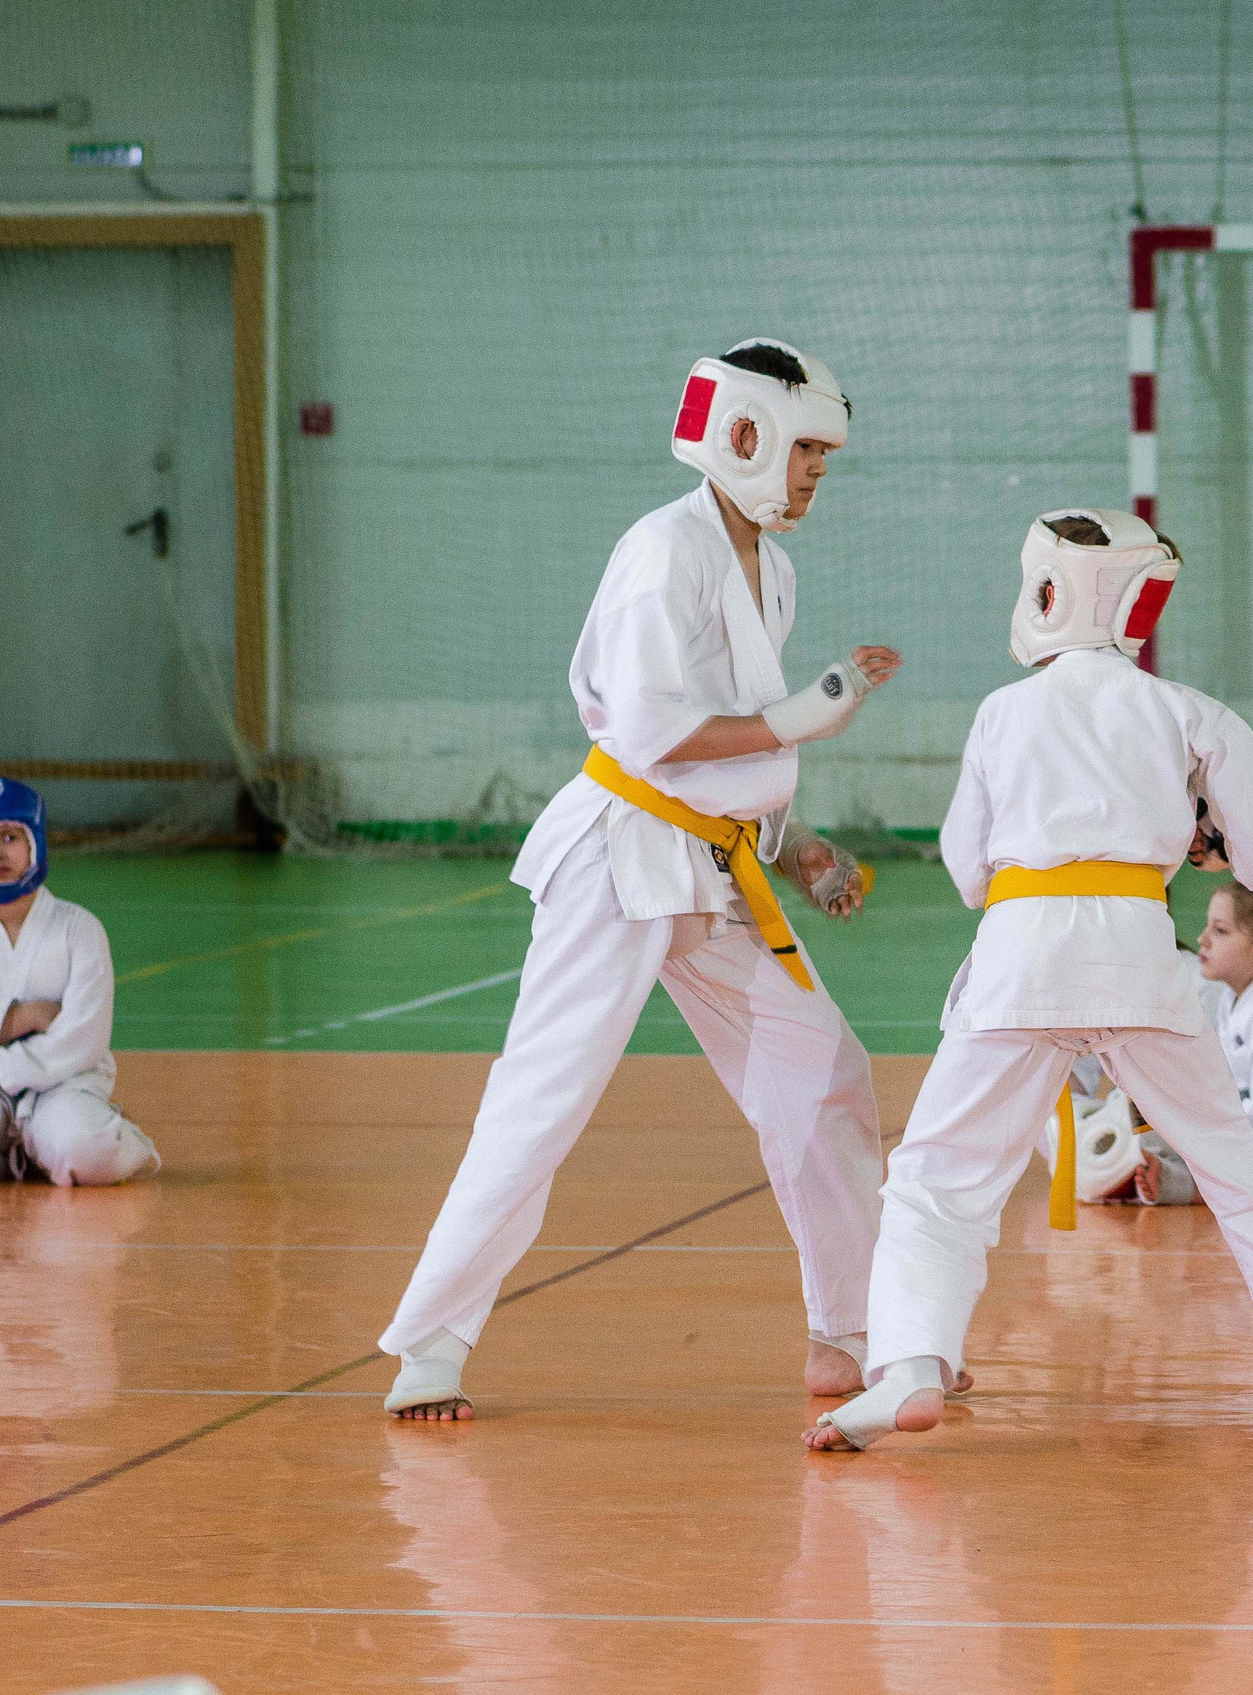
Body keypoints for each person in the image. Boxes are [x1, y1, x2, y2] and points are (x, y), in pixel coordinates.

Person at [380, 337, 918, 1421]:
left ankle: (850, 1332)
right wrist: (804, 713)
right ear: (745, 434)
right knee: (543, 1098)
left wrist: (796, 839)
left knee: (824, 1069)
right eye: (804, 448)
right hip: (615, 858)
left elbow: (733, 752)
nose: (815, 470)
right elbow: (652, 733)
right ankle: (428, 1344)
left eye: (826, 453)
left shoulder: (770, 563)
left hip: (711, 865)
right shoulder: (660, 552)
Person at [803, 510, 1253, 1452]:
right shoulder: (1184, 707)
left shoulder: (1001, 711)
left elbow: (968, 867)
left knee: (937, 1181)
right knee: (1234, 1170)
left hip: (1021, 949)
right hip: (1140, 948)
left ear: (1048, 589)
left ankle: (907, 1369)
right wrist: (1201, 839)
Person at [0, 777, 159, 1187]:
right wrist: (26, 1017)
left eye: (9, 837)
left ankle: (107, 1137)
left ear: (34, 842)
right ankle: (10, 1156)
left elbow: (84, 1038)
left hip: (62, 1079)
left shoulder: (80, 928)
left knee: (90, 1153)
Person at [1095, 883, 1253, 1207]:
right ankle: (1170, 1172)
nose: (1203, 938)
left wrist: (1197, 1134)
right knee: (1148, 1110)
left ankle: (1184, 1184)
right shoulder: (1239, 997)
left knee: (1222, 1144)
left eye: (1220, 930)